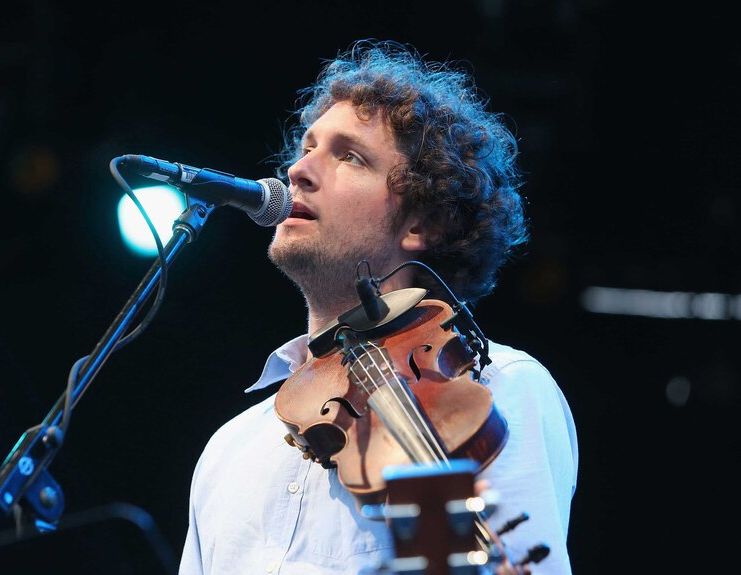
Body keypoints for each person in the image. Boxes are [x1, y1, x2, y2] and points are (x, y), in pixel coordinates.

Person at [177, 39, 578, 575]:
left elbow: (469, 565)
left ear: (422, 224)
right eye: (307, 146)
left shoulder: (482, 393)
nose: (298, 170)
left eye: (349, 155)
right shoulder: (231, 449)